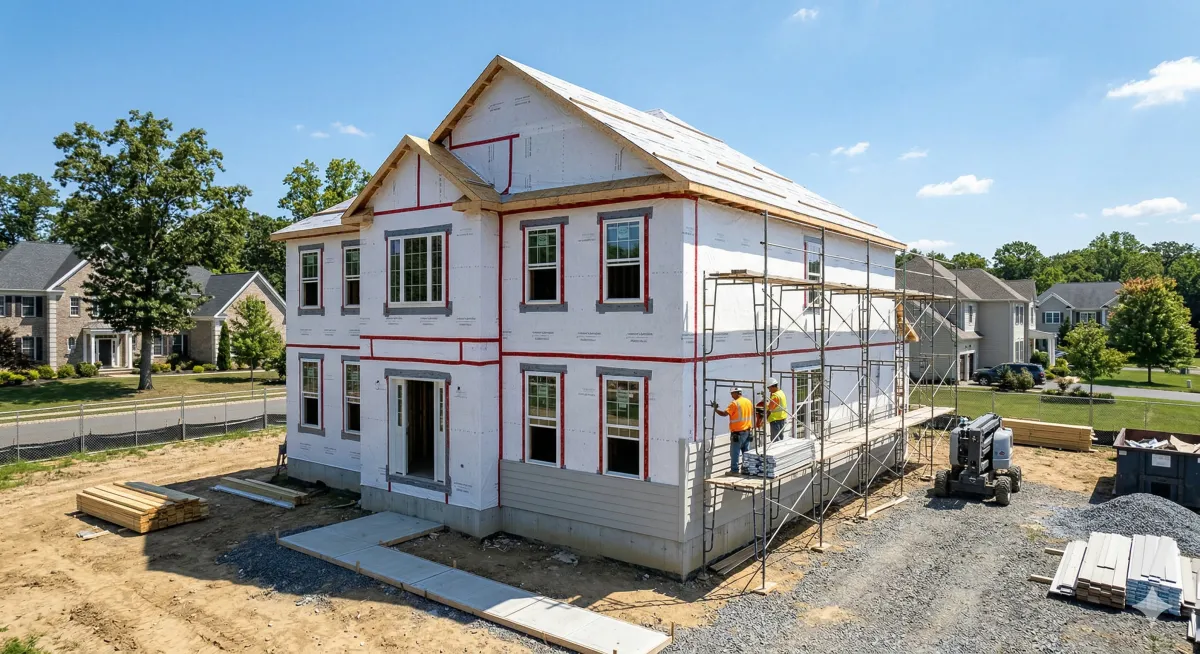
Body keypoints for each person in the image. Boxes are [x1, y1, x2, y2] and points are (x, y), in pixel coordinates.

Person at [712, 387, 754, 474]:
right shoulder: (748, 401)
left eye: (732, 393)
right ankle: (746, 469)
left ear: (738, 393)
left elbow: (724, 414)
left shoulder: (734, 403)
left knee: (735, 452)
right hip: (747, 431)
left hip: (738, 432)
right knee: (746, 452)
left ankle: (734, 471)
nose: (731, 395)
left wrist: (715, 409)